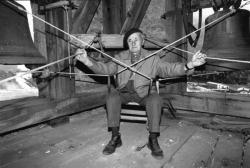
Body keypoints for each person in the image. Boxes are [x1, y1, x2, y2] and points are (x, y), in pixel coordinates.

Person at [75, 28, 206, 160]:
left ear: (142, 41)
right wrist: (87, 61)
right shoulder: (120, 58)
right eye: (130, 40)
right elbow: (106, 69)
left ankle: (153, 139)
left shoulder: (152, 58)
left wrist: (190, 65)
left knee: (155, 99)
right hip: (123, 92)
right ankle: (115, 137)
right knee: (111, 96)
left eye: (136, 39)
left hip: (143, 93)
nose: (133, 43)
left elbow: (168, 69)